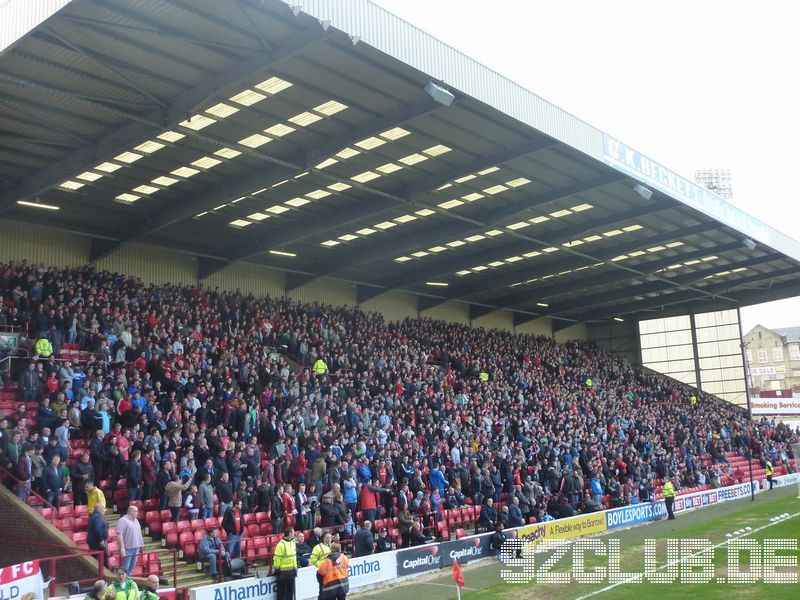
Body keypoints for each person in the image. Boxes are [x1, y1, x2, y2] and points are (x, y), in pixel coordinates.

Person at [116, 505, 144, 575]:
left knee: (132, 566)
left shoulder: (136, 520)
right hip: (127, 548)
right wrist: (122, 548)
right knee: (125, 567)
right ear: (131, 511)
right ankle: (123, 581)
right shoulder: (123, 520)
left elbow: (138, 533)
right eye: (136, 511)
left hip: (136, 547)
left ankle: (129, 580)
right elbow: (119, 534)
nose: (137, 513)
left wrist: (141, 545)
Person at [273, 528, 298, 600]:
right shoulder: (281, 544)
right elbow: (277, 558)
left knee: (290, 592)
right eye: (293, 532)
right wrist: (277, 569)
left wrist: (295, 568)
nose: (294, 534)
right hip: (283, 573)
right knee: (281, 592)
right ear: (290, 534)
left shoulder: (292, 542)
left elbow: (294, 557)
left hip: (292, 571)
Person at [87, 502, 109, 567]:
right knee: (104, 558)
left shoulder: (93, 516)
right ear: (98, 509)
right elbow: (97, 529)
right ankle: (106, 574)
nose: (103, 510)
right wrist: (101, 540)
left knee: (94, 557)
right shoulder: (97, 517)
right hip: (97, 542)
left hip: (93, 541)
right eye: (103, 508)